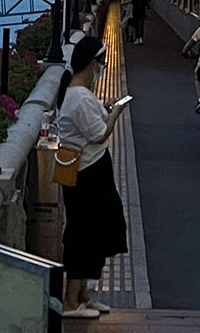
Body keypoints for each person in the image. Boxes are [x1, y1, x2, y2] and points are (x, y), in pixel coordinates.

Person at [52, 34, 130, 319]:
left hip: (91, 169)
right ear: (90, 63)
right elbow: (99, 134)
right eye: (101, 62)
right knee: (84, 232)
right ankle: (71, 301)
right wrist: (117, 112)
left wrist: (106, 107)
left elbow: (92, 121)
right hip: (87, 172)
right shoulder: (78, 96)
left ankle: (83, 295)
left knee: (92, 231)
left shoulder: (79, 94)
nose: (103, 67)